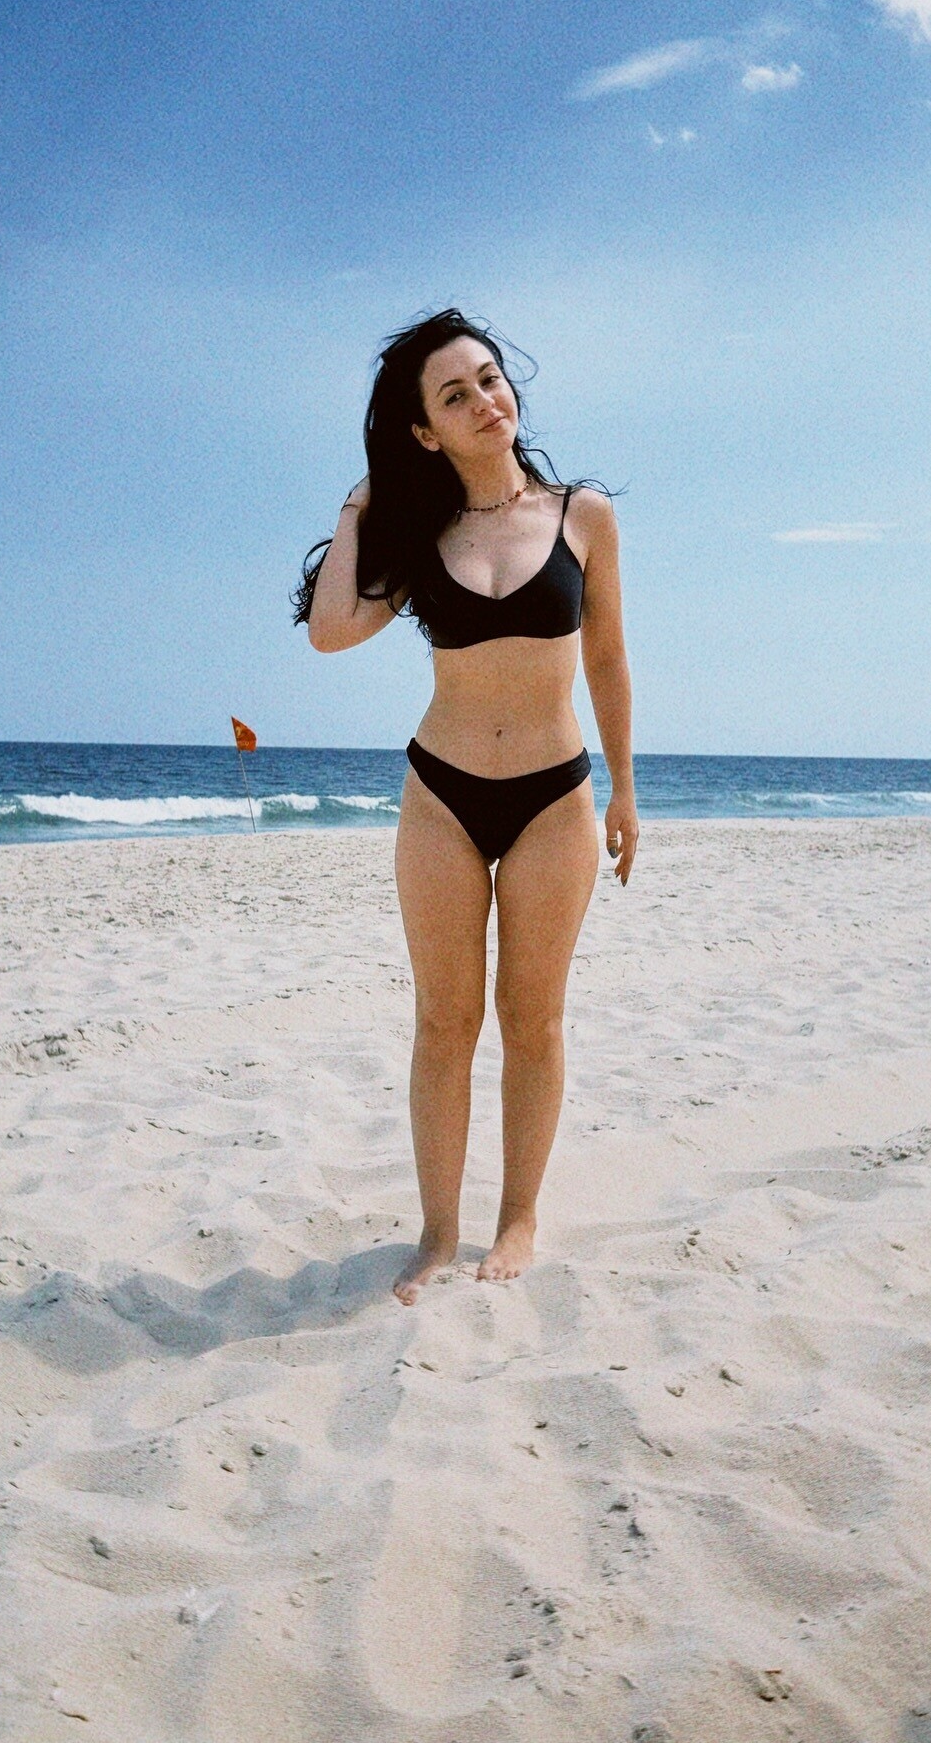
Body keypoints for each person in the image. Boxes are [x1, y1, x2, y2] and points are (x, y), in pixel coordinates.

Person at [294, 309, 637, 1304]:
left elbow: (608, 660)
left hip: (555, 799)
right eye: (455, 395)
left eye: (489, 378)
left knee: (533, 1019)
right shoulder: (420, 534)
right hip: (440, 796)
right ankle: (438, 1233)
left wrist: (625, 789)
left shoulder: (583, 516)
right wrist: (359, 507)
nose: (486, 401)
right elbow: (330, 631)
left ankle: (517, 1217)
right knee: (444, 1023)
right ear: (424, 431)